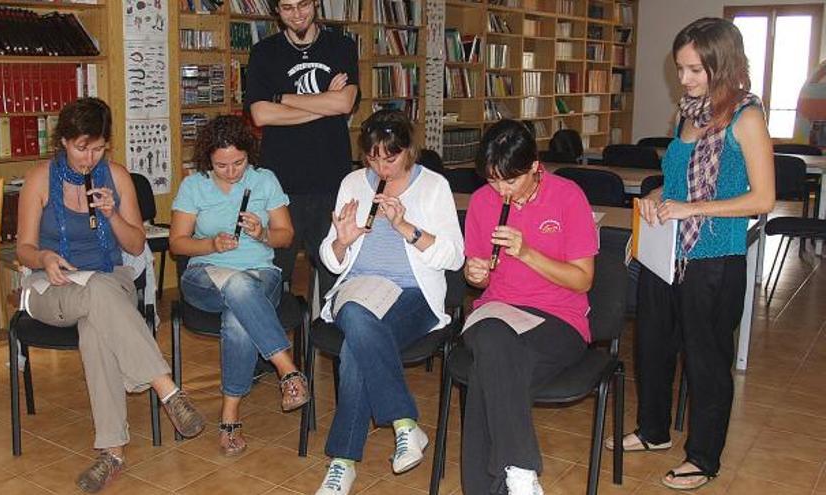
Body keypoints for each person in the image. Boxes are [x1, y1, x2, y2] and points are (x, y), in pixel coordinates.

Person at [606, 17, 774, 491]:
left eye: (694, 70)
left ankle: (703, 457)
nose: (684, 79)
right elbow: (677, 184)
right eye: (680, 69)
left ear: (723, 65)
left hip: (714, 258)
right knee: (653, 346)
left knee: (706, 360)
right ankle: (654, 431)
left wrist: (691, 206)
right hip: (669, 252)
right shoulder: (689, 114)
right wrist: (658, 197)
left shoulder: (747, 116)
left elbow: (761, 199)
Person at [15, 97, 206, 493]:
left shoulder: (116, 177)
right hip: (49, 285)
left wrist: (112, 215)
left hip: (107, 279)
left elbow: (137, 245)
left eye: (98, 147)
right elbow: (23, 249)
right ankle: (167, 390)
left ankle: (112, 453)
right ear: (64, 141)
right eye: (82, 147)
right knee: (99, 298)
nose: (89, 157)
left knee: (97, 318)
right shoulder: (39, 179)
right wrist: (45, 257)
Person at [313, 110, 464, 495]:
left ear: (409, 151)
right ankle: (404, 422)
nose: (381, 165)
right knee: (354, 312)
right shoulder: (352, 183)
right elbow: (330, 261)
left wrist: (406, 229)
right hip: (360, 287)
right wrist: (342, 241)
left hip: (413, 294)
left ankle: (343, 463)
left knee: (355, 347)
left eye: (390, 157)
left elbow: (454, 258)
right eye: (373, 157)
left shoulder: (433, 187)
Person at [460, 119, 599, 495]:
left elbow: (583, 280)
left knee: (486, 377)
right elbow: (482, 278)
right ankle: (521, 470)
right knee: (490, 335)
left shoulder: (568, 196)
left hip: (558, 320)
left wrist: (527, 252)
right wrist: (476, 275)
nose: (501, 190)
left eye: (510, 180)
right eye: (492, 180)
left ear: (535, 165)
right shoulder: (481, 202)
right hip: (498, 312)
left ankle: (498, 483)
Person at [169, 115, 308, 457]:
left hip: (261, 274)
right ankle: (287, 371)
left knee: (239, 307)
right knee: (239, 289)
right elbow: (177, 244)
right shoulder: (194, 186)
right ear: (208, 160)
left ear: (250, 155)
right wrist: (210, 245)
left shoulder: (265, 181)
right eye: (221, 165)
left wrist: (261, 233)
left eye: (239, 163)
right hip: (205, 276)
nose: (231, 171)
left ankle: (230, 413)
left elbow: (286, 236)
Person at [244, 0, 359, 277]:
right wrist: (324, 104)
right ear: (276, 11)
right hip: (281, 185)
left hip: (331, 181)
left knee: (334, 271)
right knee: (275, 273)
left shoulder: (341, 46)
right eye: (287, 8)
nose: (297, 15)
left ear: (316, 3)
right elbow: (260, 114)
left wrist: (282, 98)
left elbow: (344, 103)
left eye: (303, 4)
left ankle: (326, 321)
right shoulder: (263, 52)